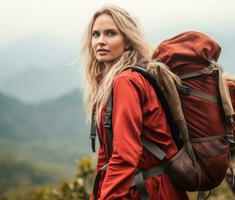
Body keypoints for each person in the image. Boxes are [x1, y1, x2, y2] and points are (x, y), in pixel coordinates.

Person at [81, 4, 188, 200]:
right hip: (140, 188)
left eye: (110, 33)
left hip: (152, 191)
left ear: (128, 41)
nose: (100, 42)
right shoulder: (109, 84)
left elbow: (125, 153)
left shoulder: (126, 81)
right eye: (96, 34)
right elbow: (107, 154)